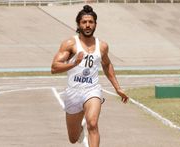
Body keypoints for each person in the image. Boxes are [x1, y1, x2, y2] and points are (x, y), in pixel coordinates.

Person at [51, 5, 129, 147]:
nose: (87, 25)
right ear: (78, 24)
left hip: (92, 90)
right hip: (73, 92)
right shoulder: (70, 44)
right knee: (73, 138)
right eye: (84, 22)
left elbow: (107, 65)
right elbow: (54, 67)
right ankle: (79, 130)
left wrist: (118, 88)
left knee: (92, 123)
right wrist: (74, 63)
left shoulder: (102, 46)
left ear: (95, 24)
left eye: (91, 22)